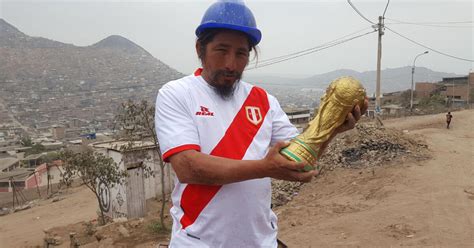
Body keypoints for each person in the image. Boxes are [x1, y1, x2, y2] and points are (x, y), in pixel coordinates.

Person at [155, 1, 367, 247]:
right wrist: (265, 168)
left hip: (261, 241)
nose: (231, 64)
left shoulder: (264, 101)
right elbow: (188, 167)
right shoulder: (177, 93)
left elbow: (298, 159)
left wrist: (329, 129)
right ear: (199, 48)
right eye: (221, 50)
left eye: (241, 54)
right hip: (198, 242)